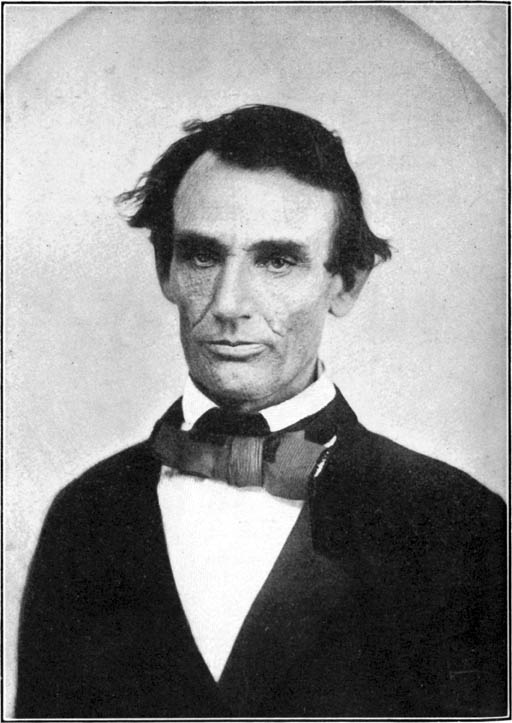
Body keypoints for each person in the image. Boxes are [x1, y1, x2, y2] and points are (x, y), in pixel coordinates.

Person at [15, 105, 506, 718]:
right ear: (165, 269)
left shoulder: (459, 524)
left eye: (277, 260)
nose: (229, 304)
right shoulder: (86, 514)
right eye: (202, 256)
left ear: (346, 283)